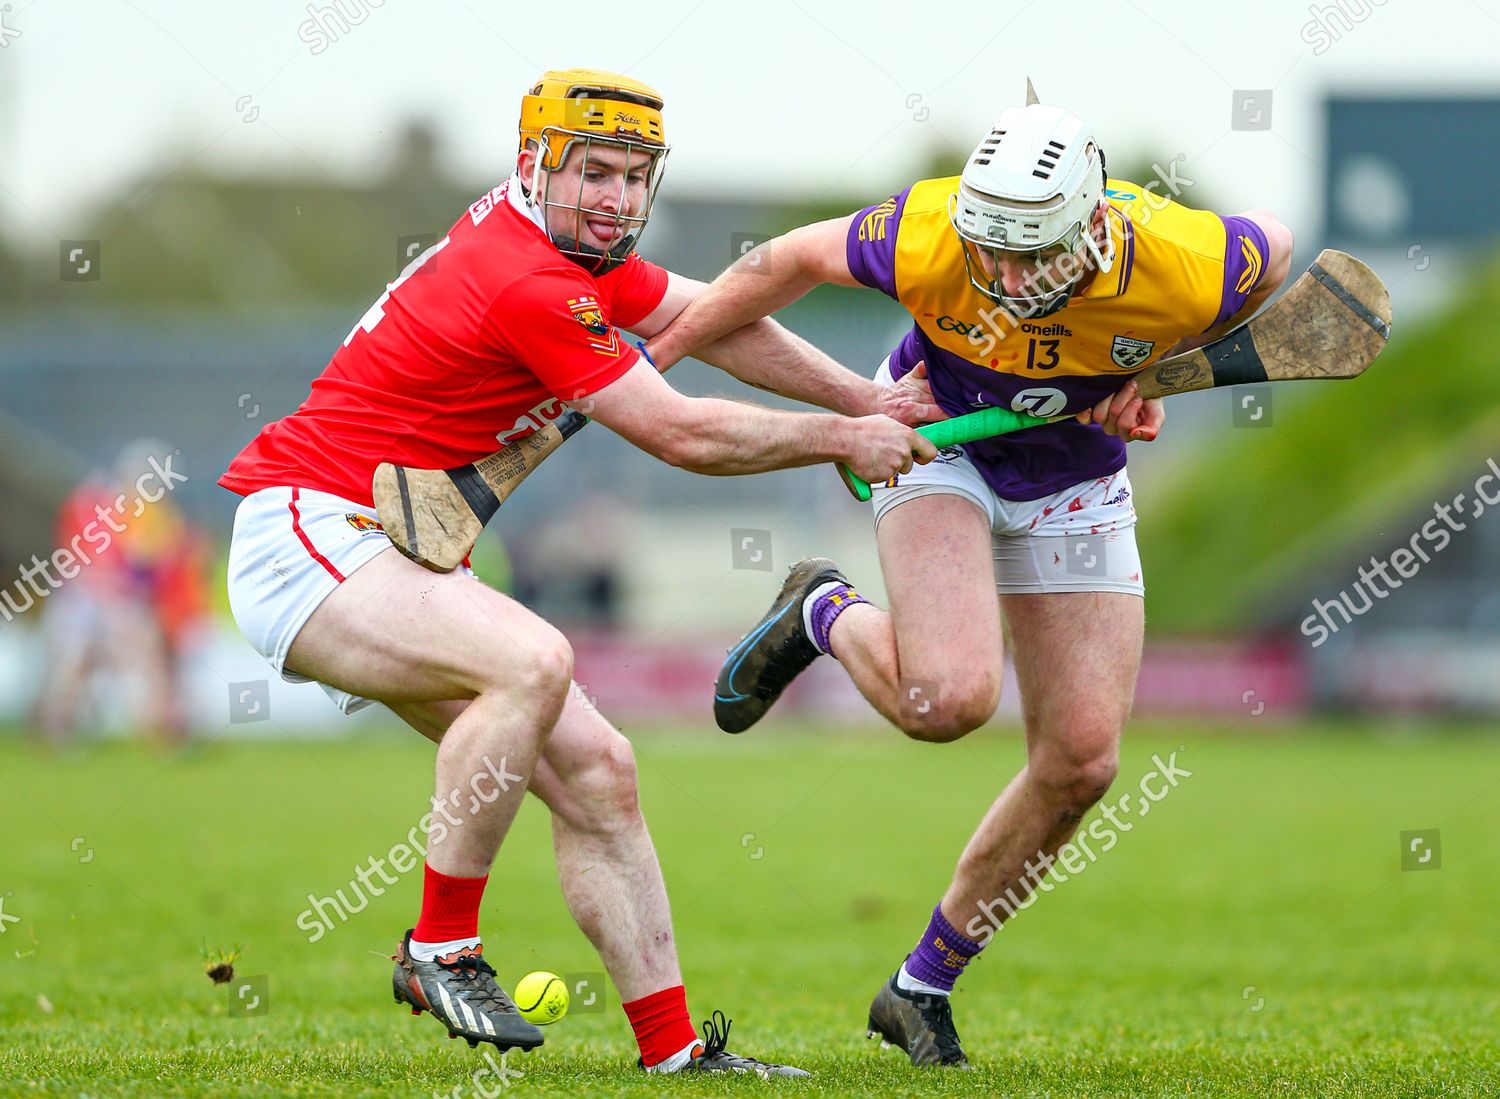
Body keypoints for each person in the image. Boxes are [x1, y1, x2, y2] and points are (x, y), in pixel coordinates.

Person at [218, 69, 938, 1077]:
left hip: (389, 541)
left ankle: (675, 1053)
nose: (617, 197)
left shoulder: (573, 253)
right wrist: (842, 438)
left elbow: (722, 323)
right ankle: (439, 947)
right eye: (594, 171)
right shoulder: (529, 278)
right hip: (315, 531)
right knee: (531, 660)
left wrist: (868, 399)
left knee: (601, 773)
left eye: (637, 177)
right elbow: (678, 431)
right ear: (533, 166)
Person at [646, 82, 1294, 1067]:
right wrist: (661, 355)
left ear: (1089, 224)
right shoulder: (928, 231)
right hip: (933, 442)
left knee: (1083, 761)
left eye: (1031, 251)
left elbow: (1278, 254)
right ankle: (823, 610)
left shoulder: (1178, 258)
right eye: (990, 245)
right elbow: (786, 261)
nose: (1000, 270)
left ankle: (920, 988)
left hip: (1074, 477)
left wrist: (1158, 369)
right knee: (944, 700)